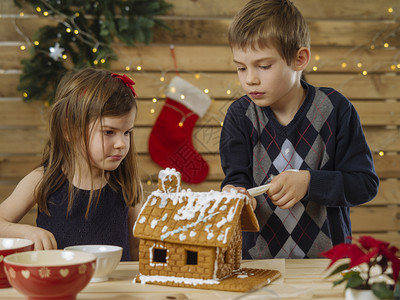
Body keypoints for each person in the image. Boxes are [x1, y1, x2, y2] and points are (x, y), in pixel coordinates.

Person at [220, 0, 379, 259]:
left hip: (328, 266)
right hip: (258, 266)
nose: (250, 79)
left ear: (299, 58)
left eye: (263, 66)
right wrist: (233, 196)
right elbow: (236, 181)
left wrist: (310, 182)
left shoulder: (335, 110)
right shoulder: (239, 116)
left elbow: (365, 184)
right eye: (241, 67)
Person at [0, 67, 142, 261]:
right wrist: (26, 232)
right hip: (59, 286)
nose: (121, 144)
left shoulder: (129, 184)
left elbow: (137, 248)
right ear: (70, 130)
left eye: (127, 132)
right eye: (109, 132)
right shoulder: (43, 180)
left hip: (116, 290)